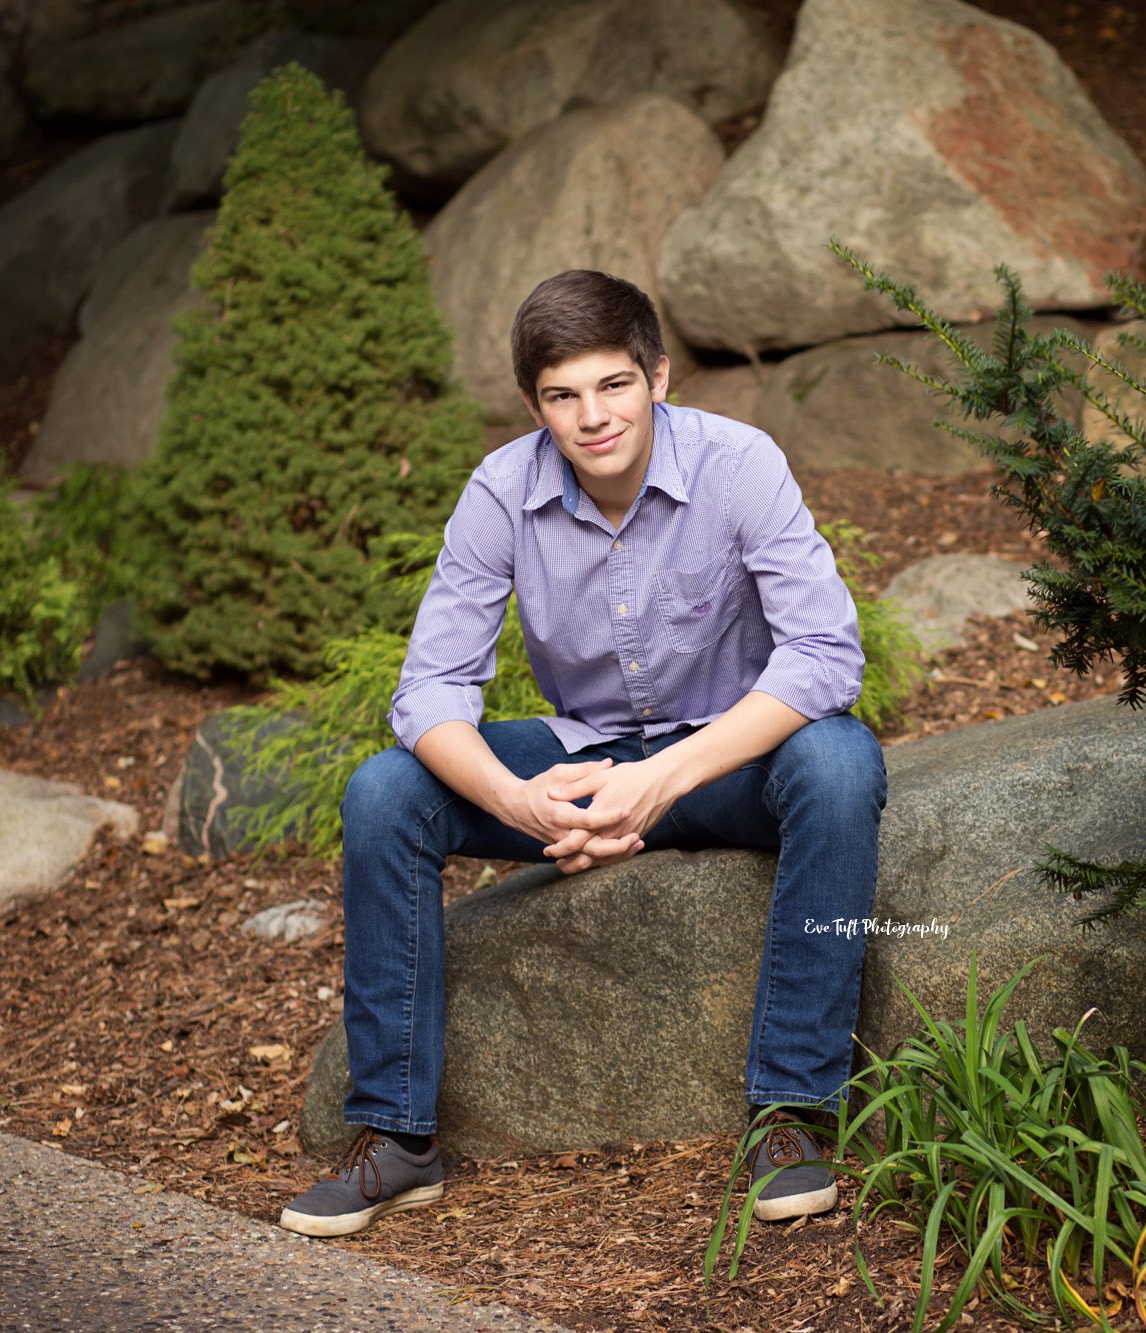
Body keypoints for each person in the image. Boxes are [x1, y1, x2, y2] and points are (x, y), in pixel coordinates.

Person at [278, 270, 887, 1239]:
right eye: (562, 395)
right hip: (578, 763)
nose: (591, 416)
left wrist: (659, 780)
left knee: (840, 765)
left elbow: (823, 655)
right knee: (387, 791)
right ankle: (397, 1138)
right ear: (532, 406)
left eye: (613, 384)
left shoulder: (739, 464)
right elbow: (430, 691)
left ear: (658, 374)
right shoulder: (500, 492)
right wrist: (521, 805)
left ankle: (791, 1114)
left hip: (723, 760)